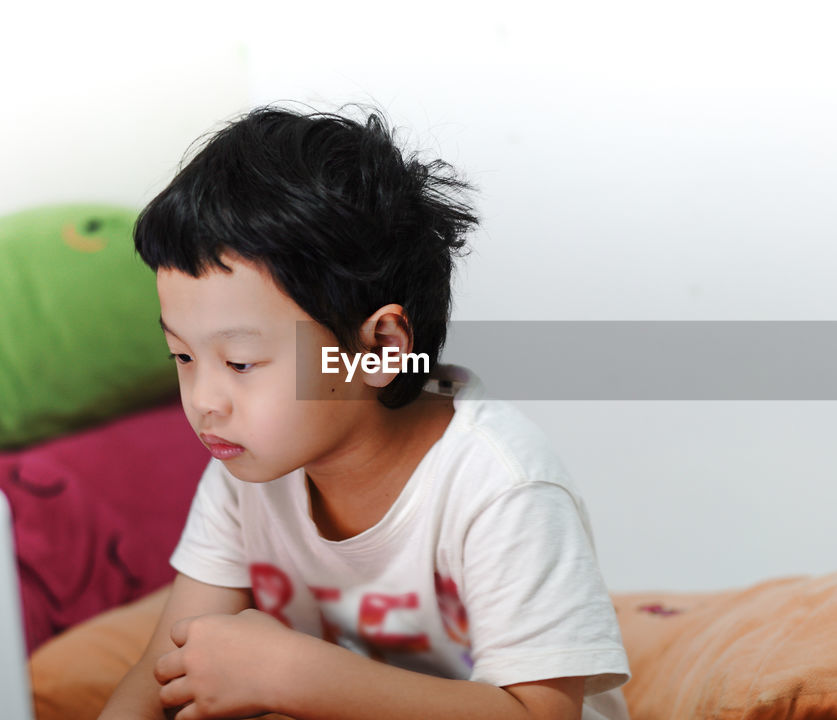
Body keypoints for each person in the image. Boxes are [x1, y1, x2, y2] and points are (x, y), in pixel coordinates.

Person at [97, 105, 630, 720]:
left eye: (241, 363)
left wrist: (296, 676)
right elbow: (162, 672)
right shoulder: (244, 471)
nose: (204, 401)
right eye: (182, 357)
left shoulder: (500, 486)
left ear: (379, 350)